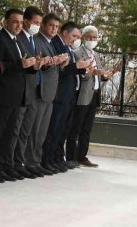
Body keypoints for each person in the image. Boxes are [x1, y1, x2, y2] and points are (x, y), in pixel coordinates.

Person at [0, 9, 36, 182]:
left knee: (9, 134)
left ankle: (4, 165)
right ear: (6, 22)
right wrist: (21, 64)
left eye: (21, 22)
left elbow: (22, 64)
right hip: (3, 94)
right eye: (15, 22)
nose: (18, 25)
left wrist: (33, 64)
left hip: (17, 94)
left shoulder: (18, 39)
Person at [10, 6, 53, 178]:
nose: (36, 25)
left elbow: (35, 63)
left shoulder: (33, 39)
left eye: (38, 23)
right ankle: (12, 162)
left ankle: (20, 162)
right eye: (35, 22)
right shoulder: (19, 38)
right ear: (26, 21)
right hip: (22, 90)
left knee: (26, 130)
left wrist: (44, 62)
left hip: (34, 89)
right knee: (16, 130)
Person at [44, 22, 90, 171]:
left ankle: (57, 158)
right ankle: (47, 160)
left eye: (78, 37)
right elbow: (60, 70)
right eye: (74, 36)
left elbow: (69, 69)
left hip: (68, 95)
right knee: (54, 129)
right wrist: (77, 66)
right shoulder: (56, 44)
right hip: (59, 94)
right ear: (64, 32)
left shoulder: (68, 48)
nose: (76, 39)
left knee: (62, 130)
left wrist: (82, 68)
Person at [65, 26, 112, 168]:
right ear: (84, 37)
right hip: (82, 94)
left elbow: (96, 73)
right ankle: (71, 157)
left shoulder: (96, 54)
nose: (92, 40)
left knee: (87, 128)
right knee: (76, 127)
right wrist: (88, 73)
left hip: (94, 95)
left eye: (95, 37)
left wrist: (104, 75)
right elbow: (79, 73)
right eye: (89, 37)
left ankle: (82, 156)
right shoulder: (77, 52)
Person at [33, 13, 67, 174]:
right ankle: (31, 162)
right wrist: (51, 62)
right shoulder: (38, 40)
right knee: (35, 130)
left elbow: (52, 62)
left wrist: (60, 62)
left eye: (56, 27)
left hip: (50, 92)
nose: (54, 29)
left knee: (42, 131)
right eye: (51, 25)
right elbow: (40, 62)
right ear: (43, 26)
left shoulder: (51, 43)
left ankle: (36, 161)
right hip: (41, 90)